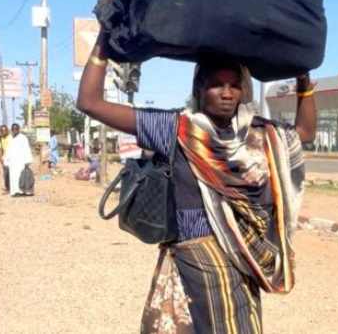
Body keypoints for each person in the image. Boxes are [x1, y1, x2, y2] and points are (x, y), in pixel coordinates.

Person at [77, 30, 316, 333]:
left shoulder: (258, 133)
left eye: (234, 85)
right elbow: (90, 102)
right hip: (197, 256)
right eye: (217, 85)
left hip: (246, 258)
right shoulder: (175, 128)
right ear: (200, 89)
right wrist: (103, 40)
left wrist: (303, 81)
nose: (227, 93)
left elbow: (304, 133)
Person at [4, 124, 34, 197]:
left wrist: (27, 161)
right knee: (13, 178)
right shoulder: (10, 138)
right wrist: (6, 160)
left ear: (18, 129)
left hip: (21, 162)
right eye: (13, 129)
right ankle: (15, 191)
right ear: (11, 130)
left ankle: (23, 191)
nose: (14, 131)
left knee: (22, 177)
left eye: (16, 129)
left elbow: (27, 149)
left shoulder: (23, 138)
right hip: (12, 162)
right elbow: (8, 150)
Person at [0, 125, 12, 192]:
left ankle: (12, 187)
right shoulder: (0, 138)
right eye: (1, 130)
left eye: (4, 130)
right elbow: (0, 149)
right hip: (5, 158)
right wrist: (0, 158)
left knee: (11, 173)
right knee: (6, 173)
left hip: (12, 157)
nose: (3, 132)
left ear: (7, 130)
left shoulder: (11, 137)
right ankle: (7, 187)